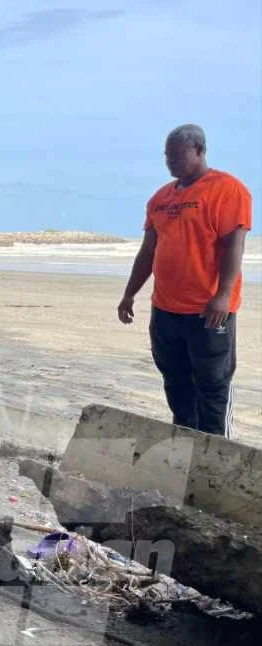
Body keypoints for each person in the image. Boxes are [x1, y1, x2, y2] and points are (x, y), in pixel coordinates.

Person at [118, 124, 252, 437]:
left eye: (177, 157)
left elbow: (235, 244)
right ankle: (183, 442)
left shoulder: (228, 189)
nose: (170, 163)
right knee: (175, 381)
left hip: (208, 310)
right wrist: (129, 294)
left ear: (200, 151)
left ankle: (214, 451)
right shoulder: (160, 199)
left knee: (212, 385)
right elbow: (148, 251)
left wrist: (223, 294)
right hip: (165, 309)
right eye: (167, 157)